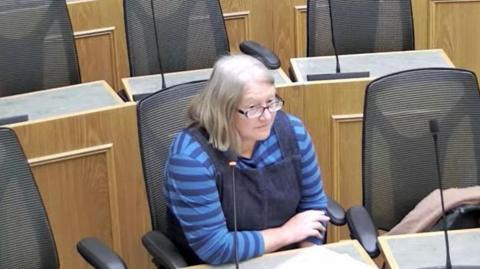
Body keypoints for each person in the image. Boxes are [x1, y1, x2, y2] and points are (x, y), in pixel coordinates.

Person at [165, 54, 329, 265]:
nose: (267, 116)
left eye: (271, 102)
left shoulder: (294, 132)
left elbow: (313, 206)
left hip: (289, 259)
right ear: (223, 109)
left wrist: (307, 259)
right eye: (253, 108)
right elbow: (215, 247)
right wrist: (286, 234)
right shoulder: (190, 158)